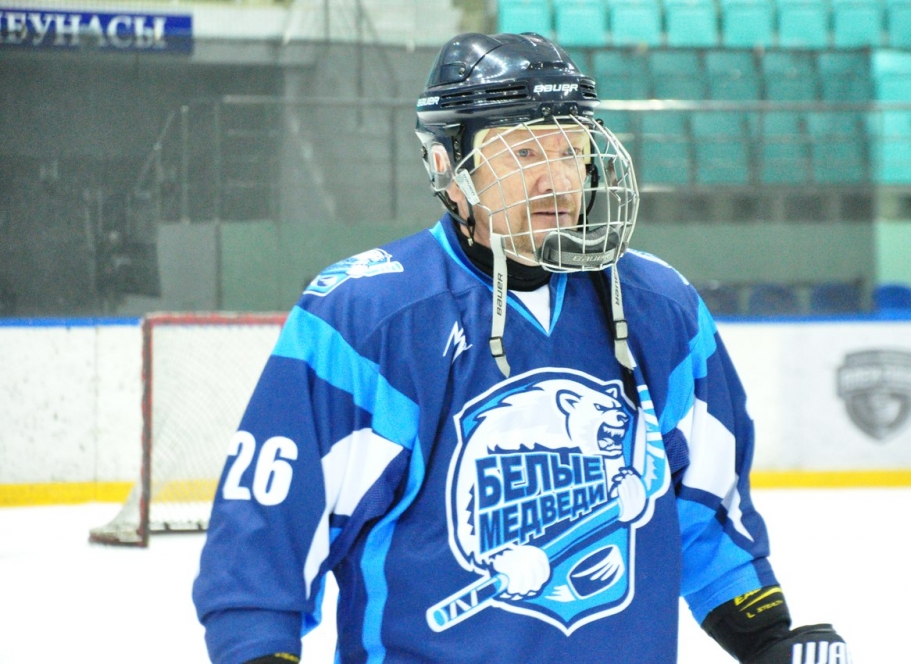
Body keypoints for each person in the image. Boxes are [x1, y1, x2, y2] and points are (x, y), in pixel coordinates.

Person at [193, 32, 850, 664]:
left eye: (569, 150)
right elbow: (265, 540)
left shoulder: (660, 309)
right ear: (449, 170)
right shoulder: (366, 318)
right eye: (524, 153)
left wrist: (767, 640)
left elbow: (706, 508)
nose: (556, 181)